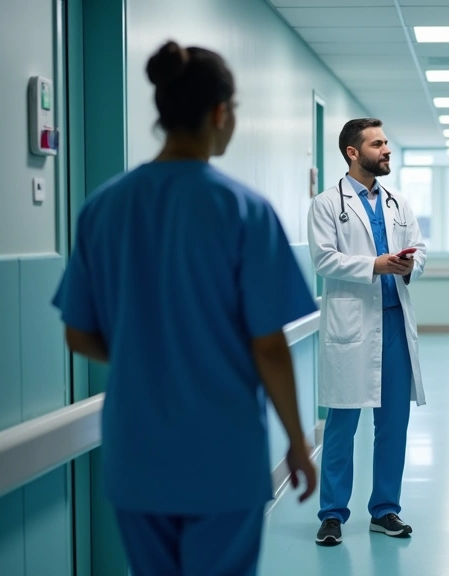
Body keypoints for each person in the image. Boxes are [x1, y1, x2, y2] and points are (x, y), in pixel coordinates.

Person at [51, 41, 317, 576]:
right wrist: (296, 440)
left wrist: (144, 355)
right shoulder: (243, 209)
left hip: (136, 453)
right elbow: (267, 345)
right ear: (220, 113)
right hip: (220, 450)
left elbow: (78, 335)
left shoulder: (103, 207)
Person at [307, 118, 427, 547]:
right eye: (378, 144)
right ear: (353, 153)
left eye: (387, 143)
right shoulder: (326, 203)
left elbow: (420, 247)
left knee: (394, 424)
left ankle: (385, 510)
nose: (386, 150)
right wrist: (375, 265)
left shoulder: (397, 202)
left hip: (394, 320)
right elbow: (323, 259)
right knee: (343, 423)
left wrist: (411, 263)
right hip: (353, 324)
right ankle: (332, 515)